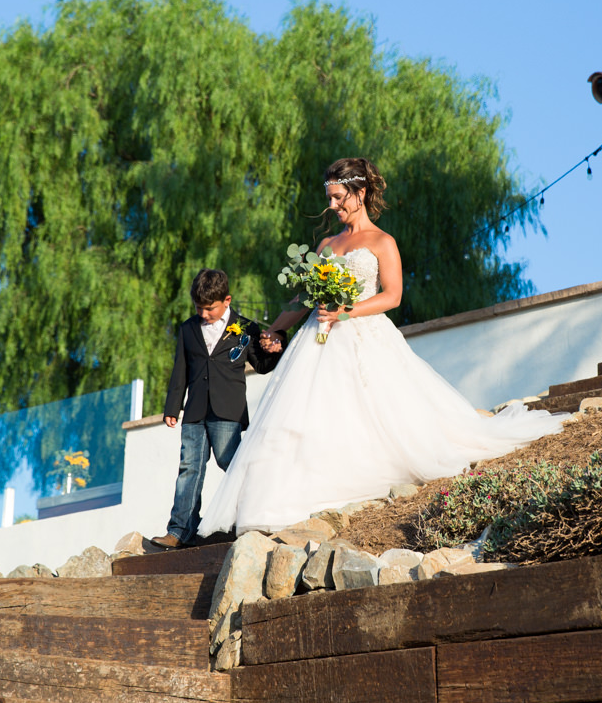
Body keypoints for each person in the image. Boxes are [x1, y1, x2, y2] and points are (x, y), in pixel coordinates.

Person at [196, 158, 565, 537]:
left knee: (374, 414)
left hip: (363, 335)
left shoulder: (382, 242)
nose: (333, 206)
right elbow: (304, 298)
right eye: (329, 198)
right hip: (314, 341)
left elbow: (392, 296)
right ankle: (281, 500)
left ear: (360, 193)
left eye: (338, 198)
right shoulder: (325, 245)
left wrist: (345, 311)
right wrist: (273, 330)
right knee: (300, 418)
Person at [149, 268, 283, 548]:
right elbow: (180, 370)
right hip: (194, 411)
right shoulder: (188, 329)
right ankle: (180, 531)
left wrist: (276, 348)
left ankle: (251, 517)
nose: (204, 313)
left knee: (230, 462)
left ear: (227, 300)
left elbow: (261, 365)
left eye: (209, 308)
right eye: (199, 307)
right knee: (189, 468)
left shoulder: (246, 328)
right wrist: (173, 406)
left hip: (228, 410)